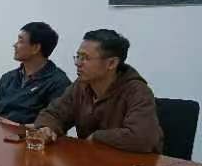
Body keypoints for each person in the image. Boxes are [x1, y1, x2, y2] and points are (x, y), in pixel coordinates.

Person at [35, 30, 163, 154]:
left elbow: (142, 138)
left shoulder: (137, 91)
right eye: (78, 56)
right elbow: (54, 113)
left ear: (111, 63)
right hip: (92, 159)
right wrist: (47, 128)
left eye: (85, 58)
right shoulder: (81, 85)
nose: (78, 63)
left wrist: (97, 137)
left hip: (133, 164)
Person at [0, 22, 71, 125]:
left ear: (36, 48)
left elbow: (53, 124)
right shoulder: (8, 77)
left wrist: (14, 126)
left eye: (20, 41)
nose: (15, 45)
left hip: (25, 135)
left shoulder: (58, 82)